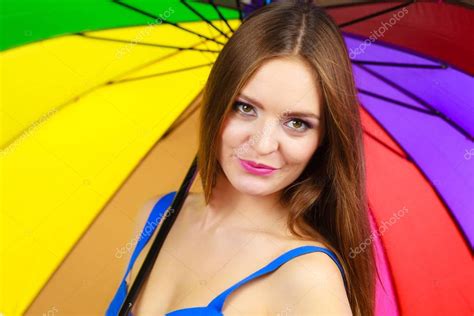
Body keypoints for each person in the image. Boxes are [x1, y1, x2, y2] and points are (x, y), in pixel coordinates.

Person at [108, 0, 376, 315]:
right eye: (245, 107)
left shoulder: (307, 278)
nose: (263, 145)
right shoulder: (158, 215)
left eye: (297, 123)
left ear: (323, 140)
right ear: (217, 101)